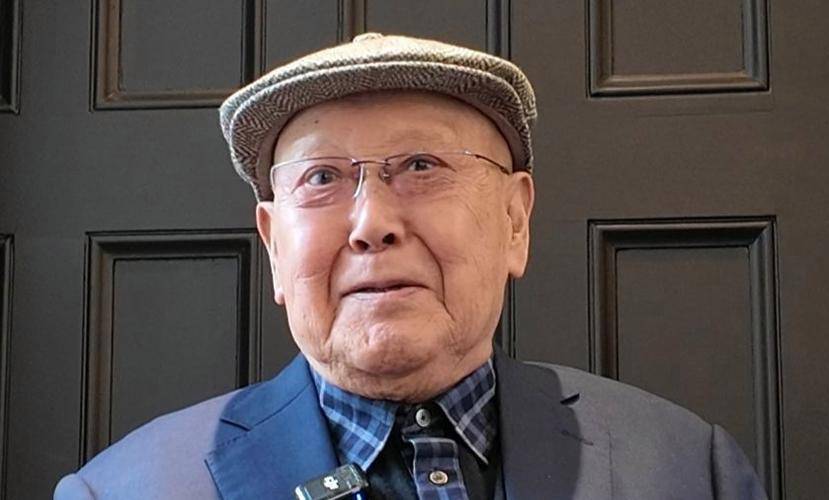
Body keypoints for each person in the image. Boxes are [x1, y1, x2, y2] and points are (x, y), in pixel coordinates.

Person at [54, 33, 767, 500]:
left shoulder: (686, 469)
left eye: (422, 166)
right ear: (273, 245)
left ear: (514, 222)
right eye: (322, 178)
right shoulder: (122, 491)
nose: (371, 224)